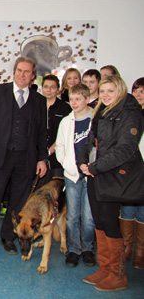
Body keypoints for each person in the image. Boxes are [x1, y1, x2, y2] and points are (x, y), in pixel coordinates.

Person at [0, 57, 48, 254]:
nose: (22, 75)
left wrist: (42, 158)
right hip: (0, 155)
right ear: (14, 72)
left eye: (27, 72)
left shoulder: (39, 100)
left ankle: (8, 236)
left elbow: (42, 132)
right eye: (19, 71)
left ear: (33, 76)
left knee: (17, 201)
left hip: (26, 159)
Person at [79, 75, 144, 291]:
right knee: (99, 221)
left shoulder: (130, 113)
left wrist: (95, 167)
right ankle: (104, 269)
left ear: (120, 90)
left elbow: (125, 149)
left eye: (111, 91)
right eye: (103, 90)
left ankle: (118, 276)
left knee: (109, 222)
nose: (105, 95)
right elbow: (90, 139)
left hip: (113, 176)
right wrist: (82, 161)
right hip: (94, 173)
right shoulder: (101, 110)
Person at [56, 83, 95, 268]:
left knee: (88, 216)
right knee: (72, 215)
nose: (74, 103)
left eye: (78, 99)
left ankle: (87, 248)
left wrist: (94, 167)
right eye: (71, 99)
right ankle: (74, 249)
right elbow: (60, 148)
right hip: (72, 175)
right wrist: (67, 164)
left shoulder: (96, 119)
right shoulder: (66, 122)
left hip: (92, 176)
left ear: (87, 99)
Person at [119, 77, 144, 269]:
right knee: (128, 207)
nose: (138, 94)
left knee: (143, 210)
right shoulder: (128, 114)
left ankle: (140, 251)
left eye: (142, 91)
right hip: (129, 167)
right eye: (136, 91)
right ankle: (126, 247)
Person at [42, 74, 72, 183]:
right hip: (38, 158)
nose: (49, 90)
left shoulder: (65, 108)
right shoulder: (35, 106)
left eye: (53, 87)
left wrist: (50, 150)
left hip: (58, 159)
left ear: (58, 89)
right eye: (46, 87)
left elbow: (66, 134)